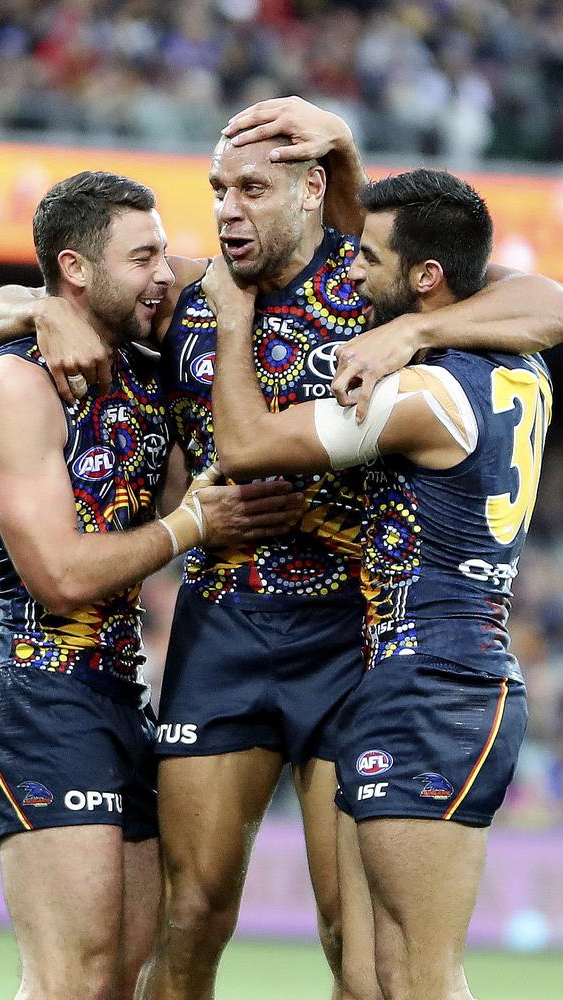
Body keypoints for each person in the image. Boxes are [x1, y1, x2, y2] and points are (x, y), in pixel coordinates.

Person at [0, 99, 563, 1000]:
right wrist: (40, 303)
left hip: (349, 639)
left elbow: (546, 301)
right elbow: (24, 300)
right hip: (225, 630)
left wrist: (413, 331)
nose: (229, 210)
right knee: (192, 912)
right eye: (217, 191)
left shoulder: (372, 286)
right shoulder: (189, 295)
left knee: (346, 936)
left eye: (251, 188)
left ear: (312, 190)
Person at [205, 167, 552, 1000]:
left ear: (426, 277)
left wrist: (232, 318)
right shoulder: (520, 361)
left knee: (423, 977)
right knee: (387, 971)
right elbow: (534, 296)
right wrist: (412, 331)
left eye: (366, 258)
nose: (350, 273)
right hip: (426, 676)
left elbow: (247, 446)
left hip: (438, 683)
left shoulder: (424, 395)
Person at [0, 169, 303, 1000]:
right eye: (143, 255)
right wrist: (194, 525)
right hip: (41, 696)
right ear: (76, 270)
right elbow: (58, 576)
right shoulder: (15, 384)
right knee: (71, 981)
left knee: (122, 979)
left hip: (123, 700)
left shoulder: (146, 374)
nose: (164, 273)